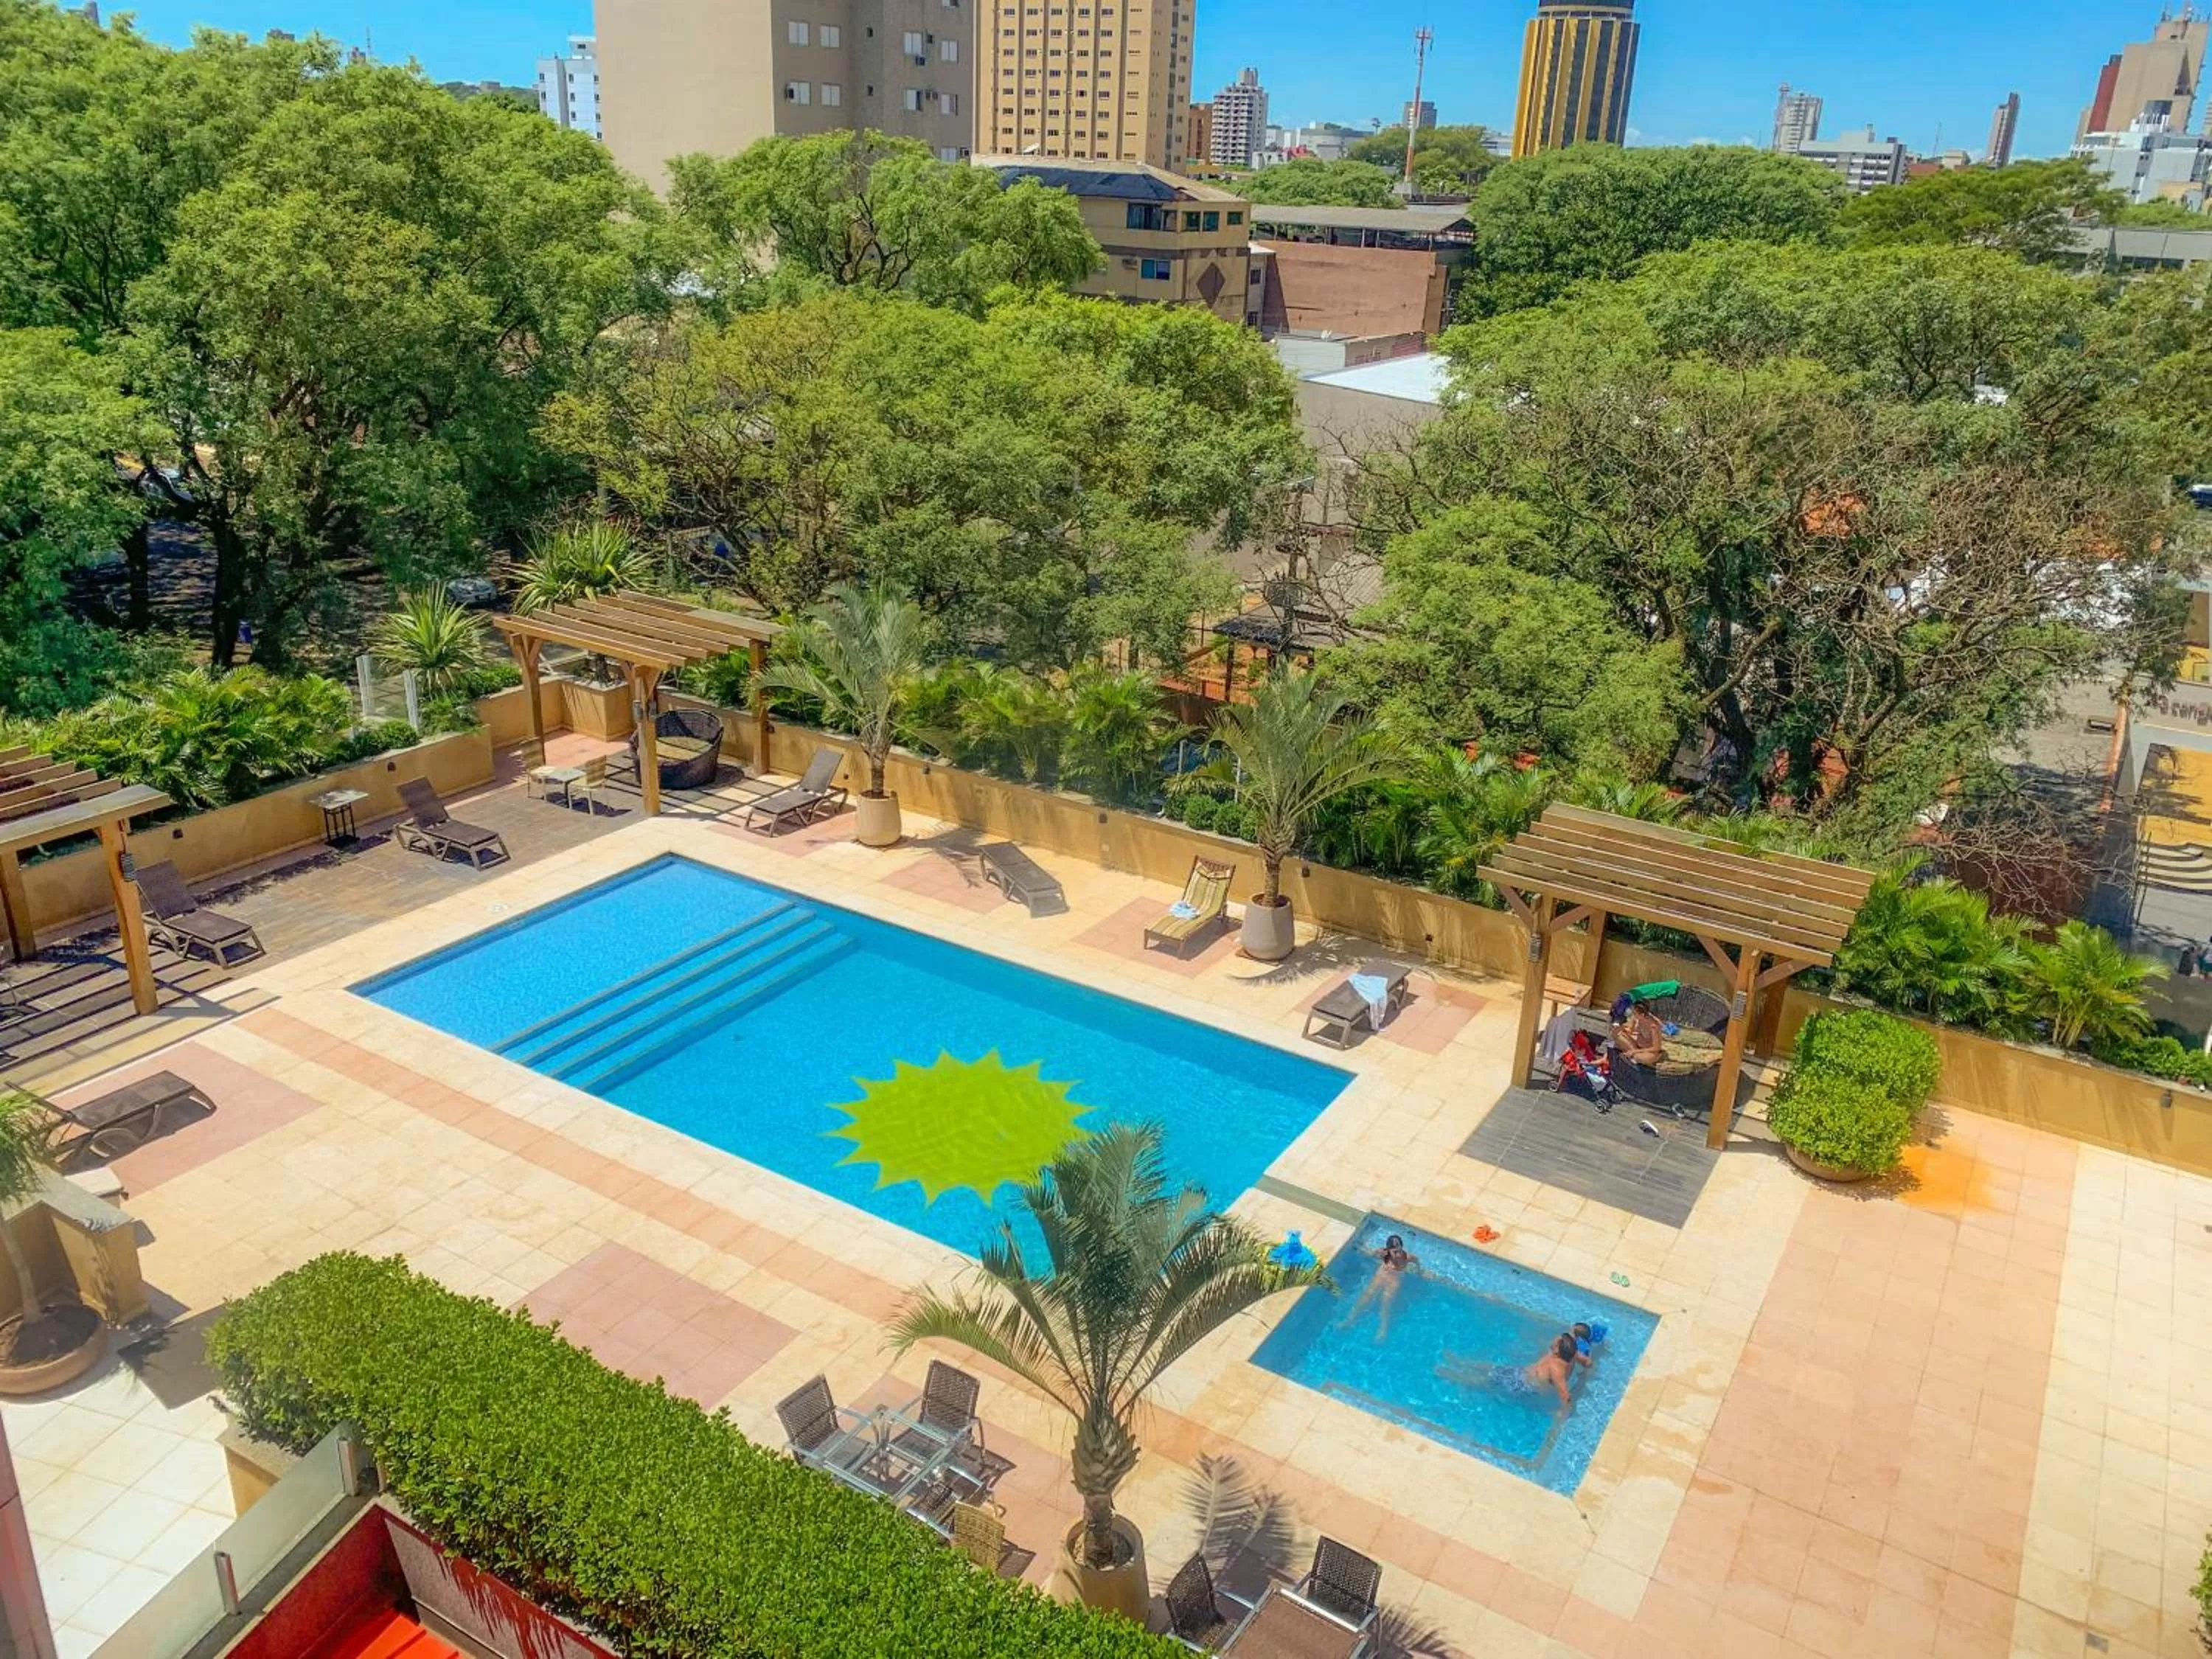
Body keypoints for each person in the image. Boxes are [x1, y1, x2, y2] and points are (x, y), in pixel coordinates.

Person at [1440, 1334, 1579, 1411]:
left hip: (1522, 1386)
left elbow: (1565, 1395)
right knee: (1492, 1368)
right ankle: (1461, 1362)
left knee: (1486, 1383)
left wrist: (1561, 1416)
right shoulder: (1561, 1353)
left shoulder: (1557, 1369)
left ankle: (1453, 1376)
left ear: (1557, 1350)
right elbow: (1574, 1349)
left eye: (1557, 1340)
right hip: (1518, 1373)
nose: (1555, 1338)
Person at [1342, 1232, 1419, 1340]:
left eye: (1400, 1250)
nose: (1398, 1254)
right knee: (1367, 1296)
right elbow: (1372, 1255)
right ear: (1388, 1250)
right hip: (1381, 1275)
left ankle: (1383, 1330)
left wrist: (1419, 1271)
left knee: (1386, 1303)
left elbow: (1417, 1262)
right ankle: (1350, 1320)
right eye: (1395, 1252)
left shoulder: (1407, 1257)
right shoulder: (1383, 1252)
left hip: (1394, 1280)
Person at [1613, 1001, 1666, 1067]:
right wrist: (1621, 1028)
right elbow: (1631, 1031)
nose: (1633, 1015)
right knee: (1616, 1033)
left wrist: (1635, 1051)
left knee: (1640, 1057)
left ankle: (1633, 1054)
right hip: (1637, 1046)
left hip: (1649, 1051)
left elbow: (1656, 1048)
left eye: (1635, 1013)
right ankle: (1632, 1054)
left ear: (1642, 1015)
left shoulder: (1654, 1026)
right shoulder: (1637, 1019)